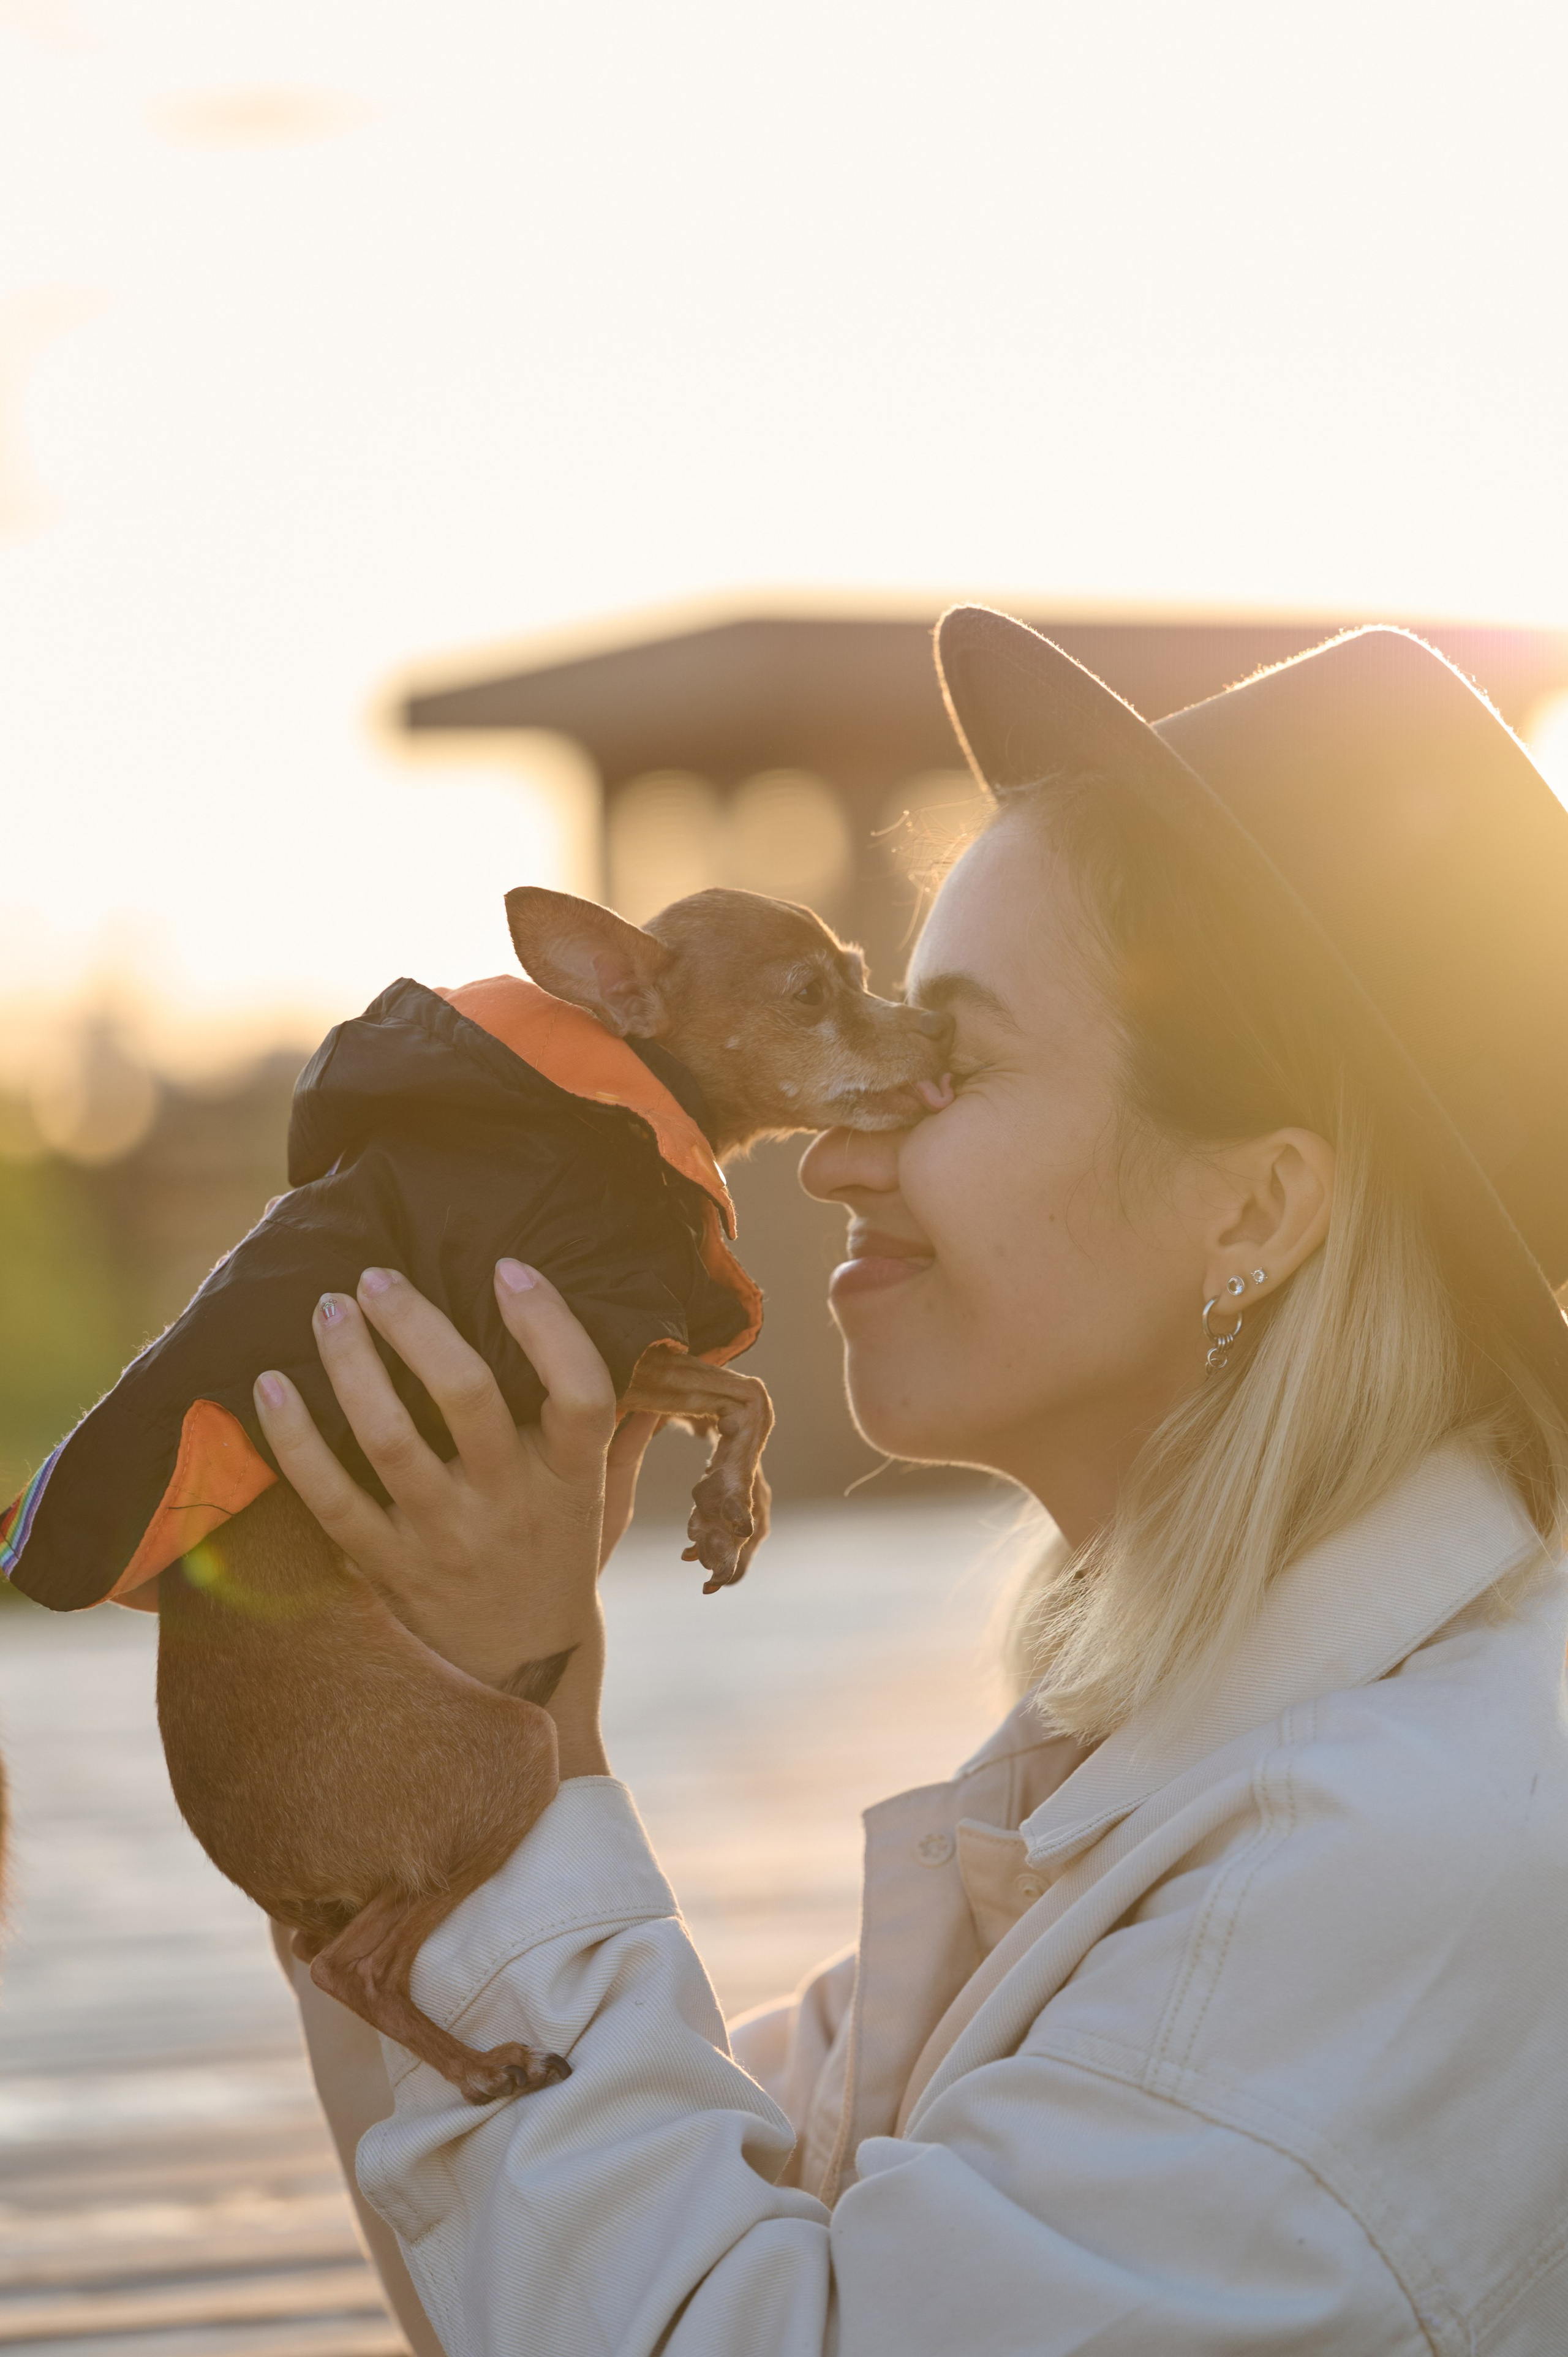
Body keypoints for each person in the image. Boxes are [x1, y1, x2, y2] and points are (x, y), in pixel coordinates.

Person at [257, 610, 1568, 2355]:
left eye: (953, 1063)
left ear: (1252, 1208)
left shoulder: (1373, 1871)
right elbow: (622, 2258)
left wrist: (515, 1728)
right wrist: (395, 1729)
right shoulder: (1147, 1764)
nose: (844, 1142)